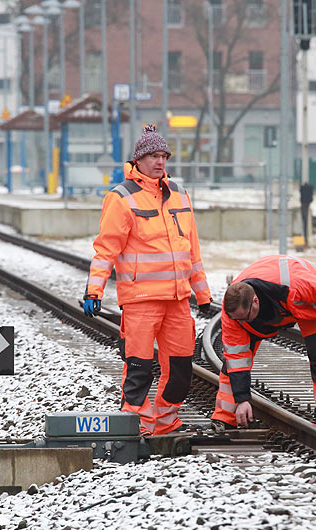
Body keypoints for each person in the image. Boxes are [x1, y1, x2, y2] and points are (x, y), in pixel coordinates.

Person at [83, 124, 212, 436]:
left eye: (164, 155)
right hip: (141, 300)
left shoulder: (180, 195)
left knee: (181, 366)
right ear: (138, 160)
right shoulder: (122, 198)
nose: (160, 161)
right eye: (154, 155)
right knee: (139, 366)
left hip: (178, 300)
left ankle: (166, 421)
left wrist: (203, 294)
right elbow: (106, 249)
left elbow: (191, 249)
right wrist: (94, 289)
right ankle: (137, 423)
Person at [211, 255, 316, 431]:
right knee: (232, 364)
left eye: (244, 318)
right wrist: (242, 399)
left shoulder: (297, 283)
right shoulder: (234, 315)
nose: (242, 323)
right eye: (237, 319)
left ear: (255, 301)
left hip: (311, 304)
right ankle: (225, 417)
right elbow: (237, 358)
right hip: (283, 302)